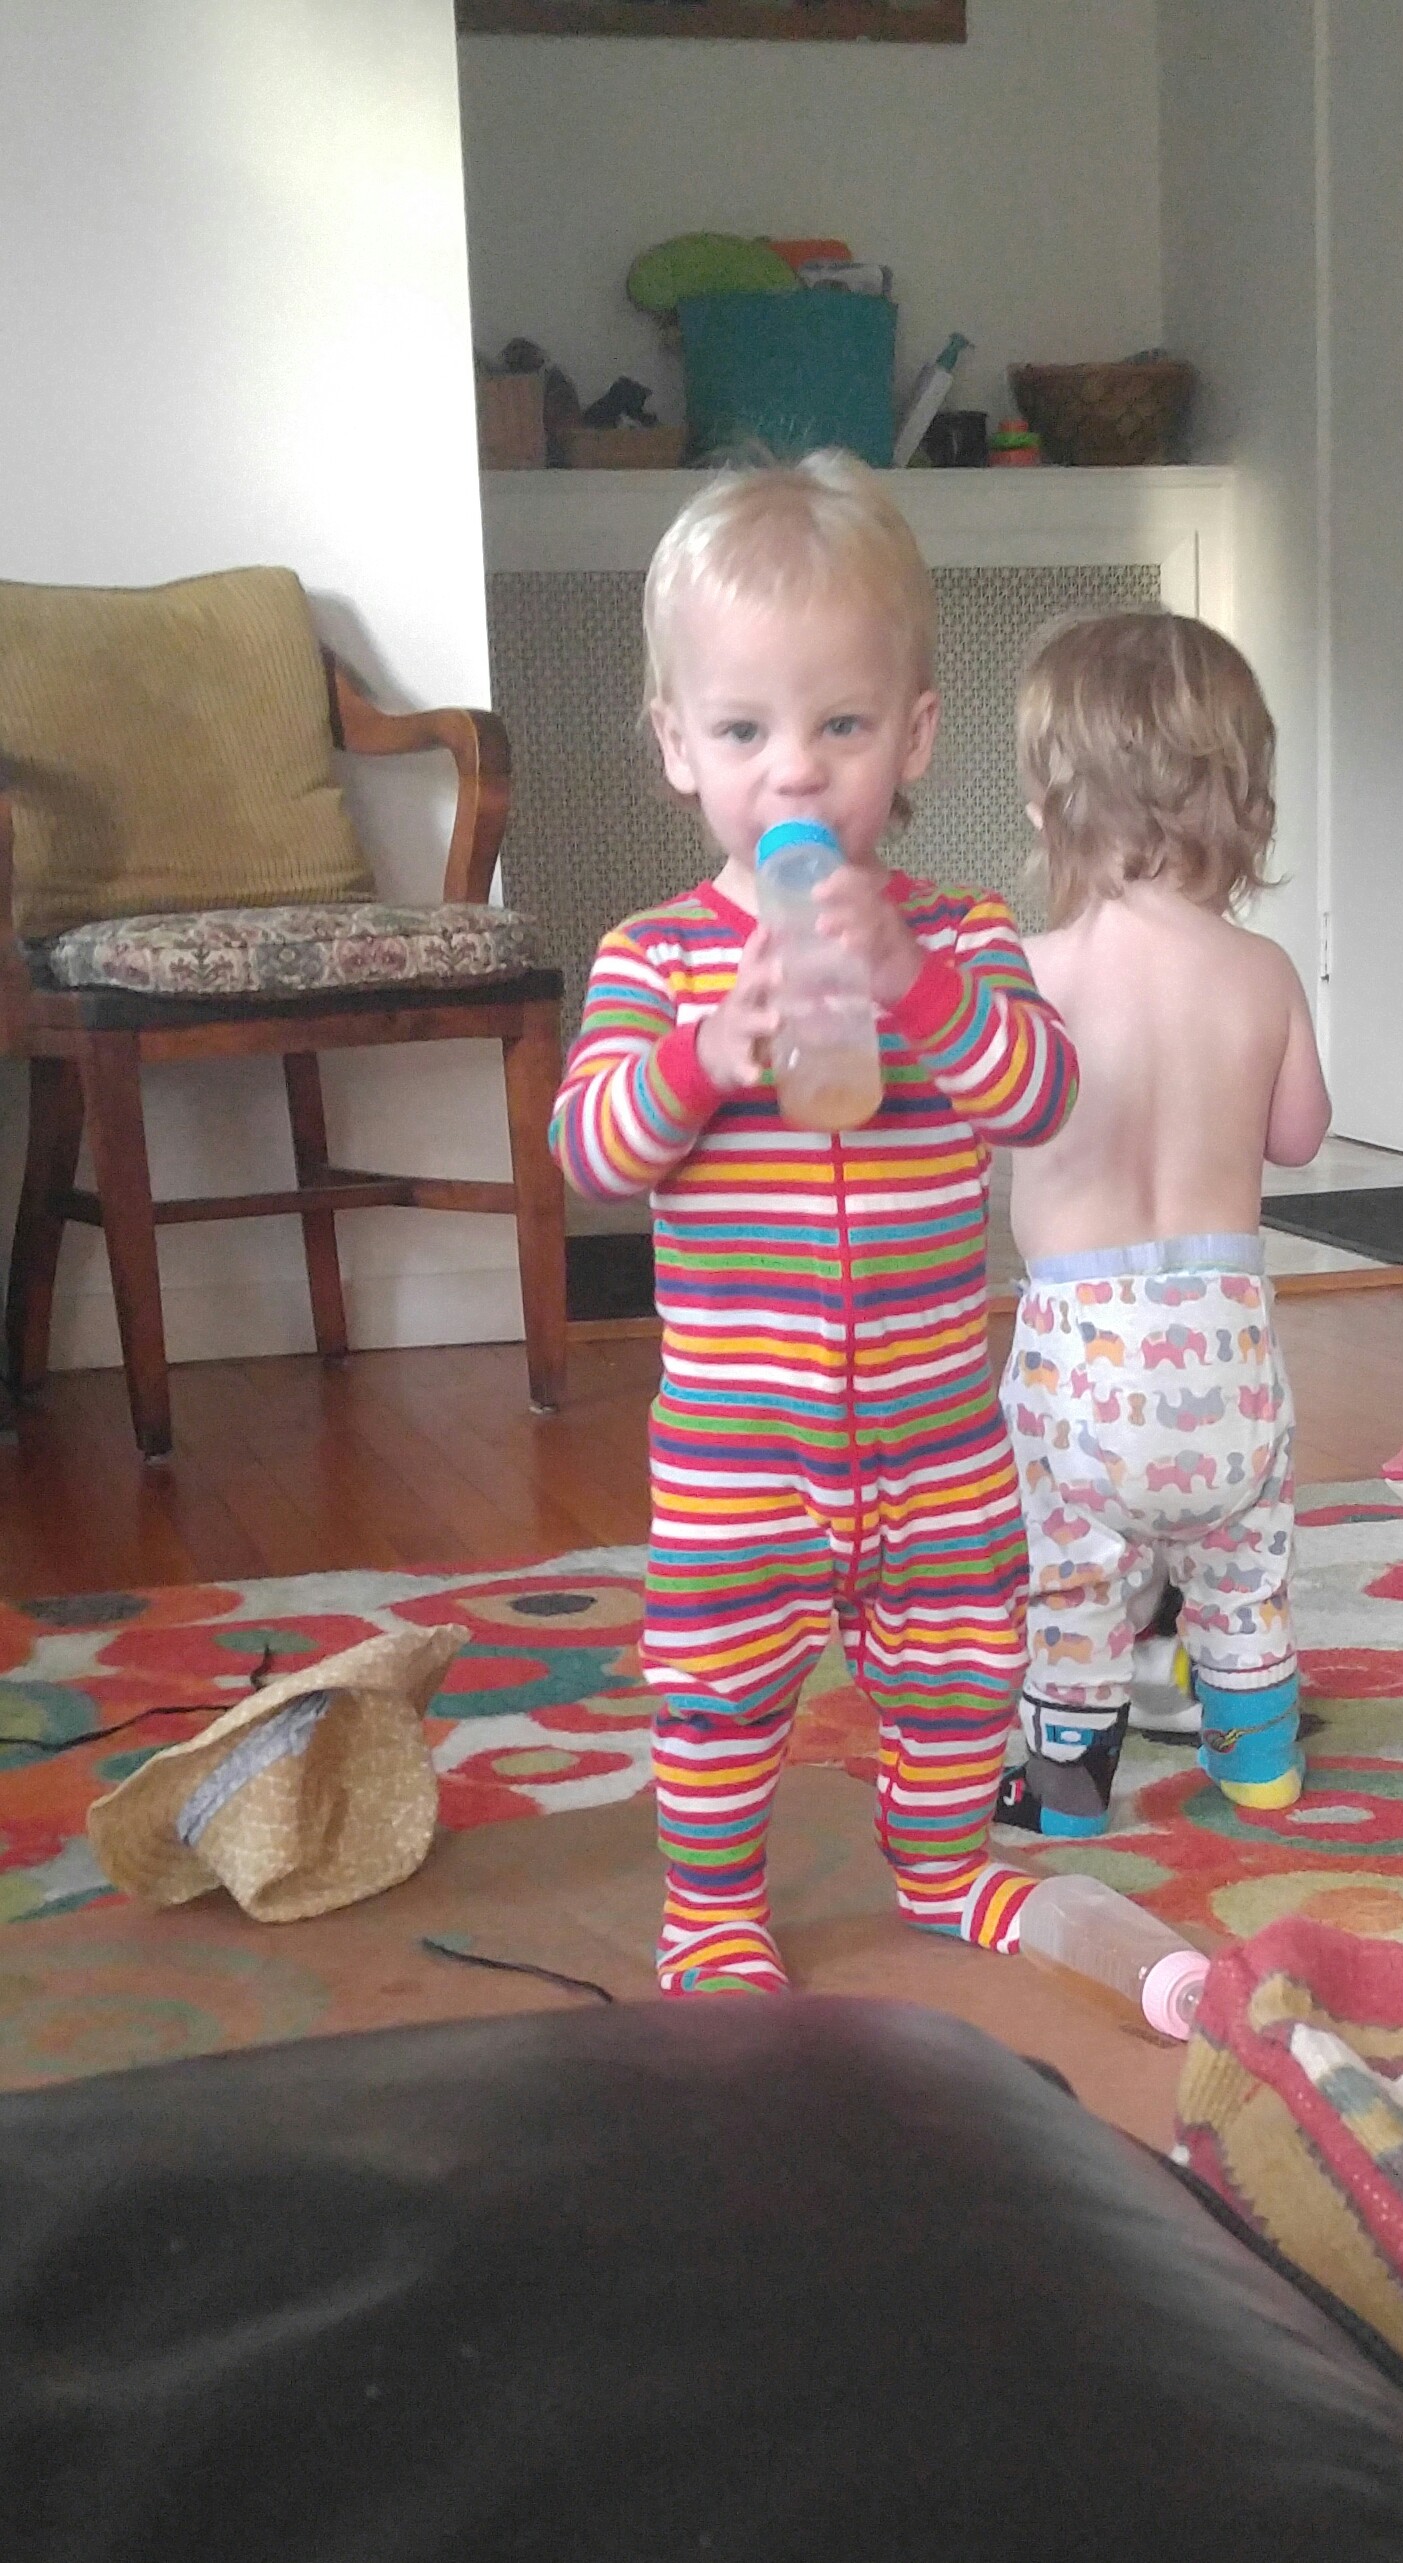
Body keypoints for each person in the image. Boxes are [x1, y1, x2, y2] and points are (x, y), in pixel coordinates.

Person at [551, 453, 1078, 1994]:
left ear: (911, 733)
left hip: (935, 1433)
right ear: (676, 743)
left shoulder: (964, 934)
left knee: (968, 1661)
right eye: (742, 730)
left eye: (839, 725)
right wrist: (703, 1054)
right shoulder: (653, 956)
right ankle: (711, 1909)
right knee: (714, 1690)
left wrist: (912, 979)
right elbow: (590, 1149)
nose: (792, 773)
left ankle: (944, 1863)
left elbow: (1038, 1094)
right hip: (742, 1445)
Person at [995, 610, 1331, 1840]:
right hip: (1225, 1359)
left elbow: (979, 1122)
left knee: (1071, 1585)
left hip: (1079, 1371)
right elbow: (1298, 1135)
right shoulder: (1261, 971)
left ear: (1049, 805)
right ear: (1244, 802)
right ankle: (1260, 1767)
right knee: (1242, 1575)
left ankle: (1069, 1794)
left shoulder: (1026, 971)